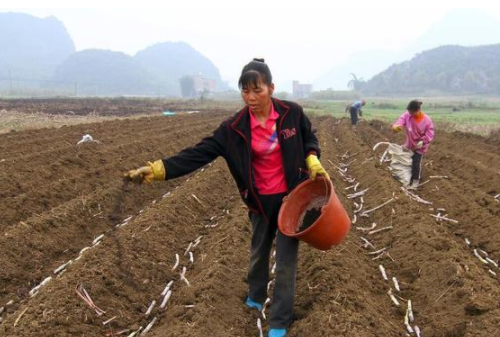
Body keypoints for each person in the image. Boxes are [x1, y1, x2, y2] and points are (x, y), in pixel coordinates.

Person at [125, 58, 329, 337]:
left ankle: (279, 322)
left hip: (291, 199)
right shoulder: (233, 129)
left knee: (285, 261)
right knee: (259, 252)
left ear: (271, 87)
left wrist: (312, 158)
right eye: (245, 91)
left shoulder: (291, 113)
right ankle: (255, 297)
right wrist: (157, 170)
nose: (251, 97)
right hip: (259, 201)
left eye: (257, 90)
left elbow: (309, 137)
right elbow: (197, 154)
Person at [392, 99, 435, 189]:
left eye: (412, 113)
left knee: (416, 163)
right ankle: (405, 177)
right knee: (406, 160)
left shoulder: (427, 120)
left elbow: (430, 133)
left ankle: (415, 181)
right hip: (409, 143)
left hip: (420, 146)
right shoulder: (407, 115)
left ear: (418, 110)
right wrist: (396, 126)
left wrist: (423, 141)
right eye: (409, 112)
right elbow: (400, 121)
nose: (410, 114)